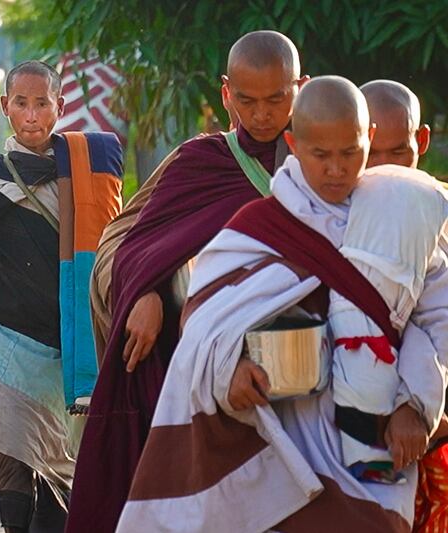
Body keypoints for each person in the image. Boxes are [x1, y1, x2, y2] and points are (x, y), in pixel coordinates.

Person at [118, 76, 448, 532]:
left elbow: (434, 319)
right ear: (293, 144)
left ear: (368, 139)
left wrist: (416, 404)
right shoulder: (258, 224)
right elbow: (204, 317)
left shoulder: (404, 217)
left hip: (373, 432)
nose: (335, 169)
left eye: (350, 153)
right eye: (320, 155)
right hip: (281, 432)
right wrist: (228, 369)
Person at [68, 30, 308, 532]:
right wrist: (145, 293)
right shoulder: (199, 162)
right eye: (246, 100)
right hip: (199, 371)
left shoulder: (323, 165)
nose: (262, 114)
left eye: (276, 98)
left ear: (300, 88)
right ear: (226, 94)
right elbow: (129, 243)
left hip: (295, 371)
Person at [0, 60, 123, 533]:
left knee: (62, 463)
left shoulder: (87, 176)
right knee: (14, 456)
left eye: (41, 103)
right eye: (20, 103)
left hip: (68, 341)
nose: (31, 115)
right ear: (5, 108)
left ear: (59, 107)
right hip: (4, 335)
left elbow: (110, 242)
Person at [361, 78, 448, 532]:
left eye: (397, 154)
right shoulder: (335, 211)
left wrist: (416, 405)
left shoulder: (441, 209)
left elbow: (434, 316)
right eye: (370, 155)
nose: (382, 170)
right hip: (353, 427)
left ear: (423, 141)